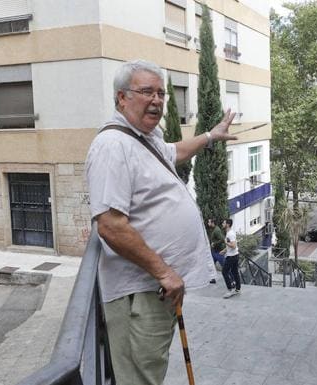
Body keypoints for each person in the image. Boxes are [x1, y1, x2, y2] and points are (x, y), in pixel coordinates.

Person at [85, 59, 236, 385]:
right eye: (146, 92)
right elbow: (110, 225)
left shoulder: (142, 137)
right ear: (121, 97)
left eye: (161, 93)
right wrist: (164, 272)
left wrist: (211, 136)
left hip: (155, 291)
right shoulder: (113, 146)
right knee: (141, 378)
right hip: (139, 294)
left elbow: (175, 152)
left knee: (150, 372)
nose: (157, 100)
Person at [221, 218, 241, 298]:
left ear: (228, 224)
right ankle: (237, 289)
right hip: (235, 255)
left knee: (224, 272)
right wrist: (224, 250)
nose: (222, 224)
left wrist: (226, 242)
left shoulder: (230, 234)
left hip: (232, 257)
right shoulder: (230, 232)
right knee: (235, 272)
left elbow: (233, 245)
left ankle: (230, 290)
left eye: (224, 223)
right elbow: (231, 245)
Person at [207, 218, 226, 283]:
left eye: (209, 222)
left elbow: (222, 239)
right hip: (214, 252)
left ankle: (232, 280)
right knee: (211, 265)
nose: (208, 223)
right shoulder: (212, 229)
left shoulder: (217, 230)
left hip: (218, 252)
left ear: (212, 223)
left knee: (225, 266)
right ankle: (213, 279)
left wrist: (214, 244)